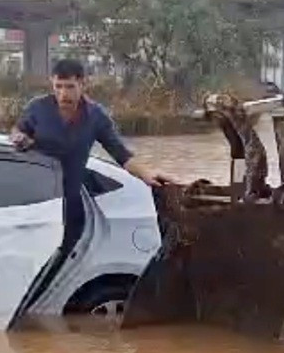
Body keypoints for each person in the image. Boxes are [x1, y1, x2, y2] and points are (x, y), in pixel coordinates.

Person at [10, 58, 173, 252]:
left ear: (83, 84)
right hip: (35, 201)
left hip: (71, 203)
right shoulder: (38, 108)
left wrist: (147, 174)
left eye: (70, 87)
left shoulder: (96, 116)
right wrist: (19, 137)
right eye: (58, 87)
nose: (63, 94)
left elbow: (122, 155)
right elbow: (17, 131)